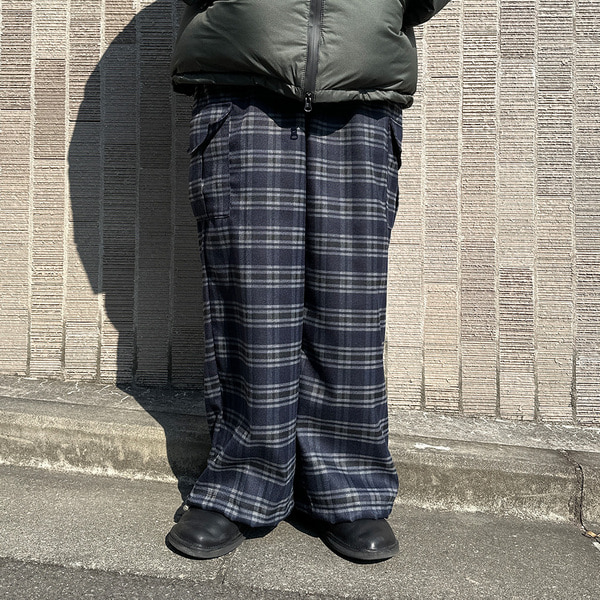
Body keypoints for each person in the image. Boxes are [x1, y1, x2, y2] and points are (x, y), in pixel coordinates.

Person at [166, 0, 452, 562]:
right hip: (243, 89)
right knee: (250, 301)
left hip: (361, 93)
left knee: (350, 307)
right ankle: (241, 482)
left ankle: (348, 489)